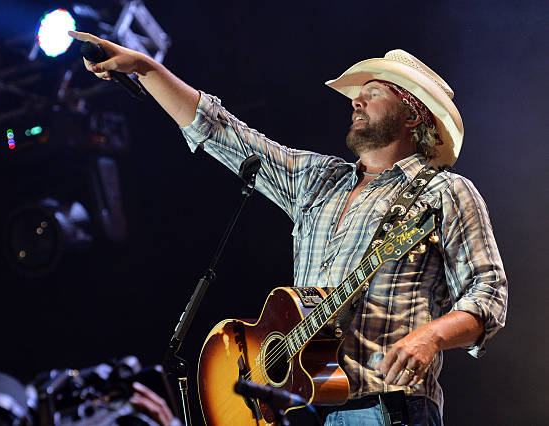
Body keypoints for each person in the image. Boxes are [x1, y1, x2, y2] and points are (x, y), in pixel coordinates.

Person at [69, 30, 508, 425]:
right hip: (303, 409)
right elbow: (223, 131)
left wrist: (431, 336)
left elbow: (489, 293)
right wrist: (145, 68)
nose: (356, 100)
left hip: (386, 409)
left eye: (373, 93)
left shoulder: (446, 191)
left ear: (412, 116)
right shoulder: (320, 180)